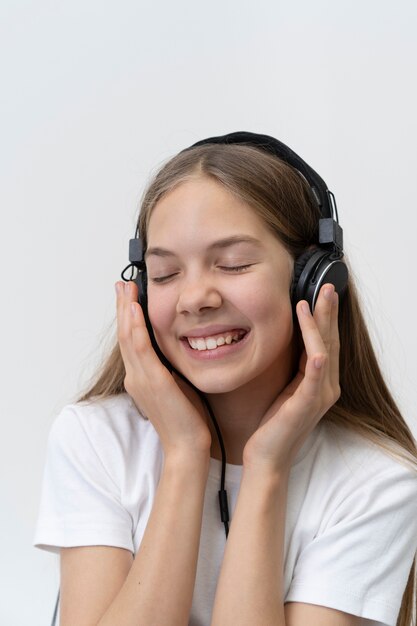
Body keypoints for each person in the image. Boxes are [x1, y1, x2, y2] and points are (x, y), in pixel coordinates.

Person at [33, 132, 417, 626]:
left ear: (314, 280)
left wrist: (267, 470)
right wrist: (185, 455)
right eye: (166, 274)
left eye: (233, 264)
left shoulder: (375, 484)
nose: (195, 298)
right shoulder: (94, 440)